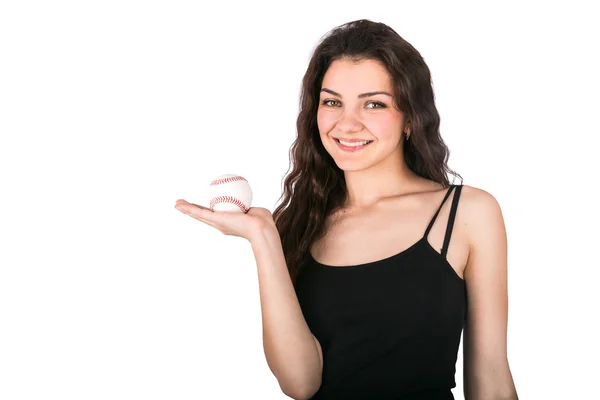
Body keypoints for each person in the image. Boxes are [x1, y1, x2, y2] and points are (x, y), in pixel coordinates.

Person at [174, 19, 518, 400]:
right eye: (332, 102)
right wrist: (263, 238)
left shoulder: (467, 213)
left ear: (409, 118)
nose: (347, 124)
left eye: (374, 104)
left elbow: (490, 376)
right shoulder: (300, 223)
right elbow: (300, 382)